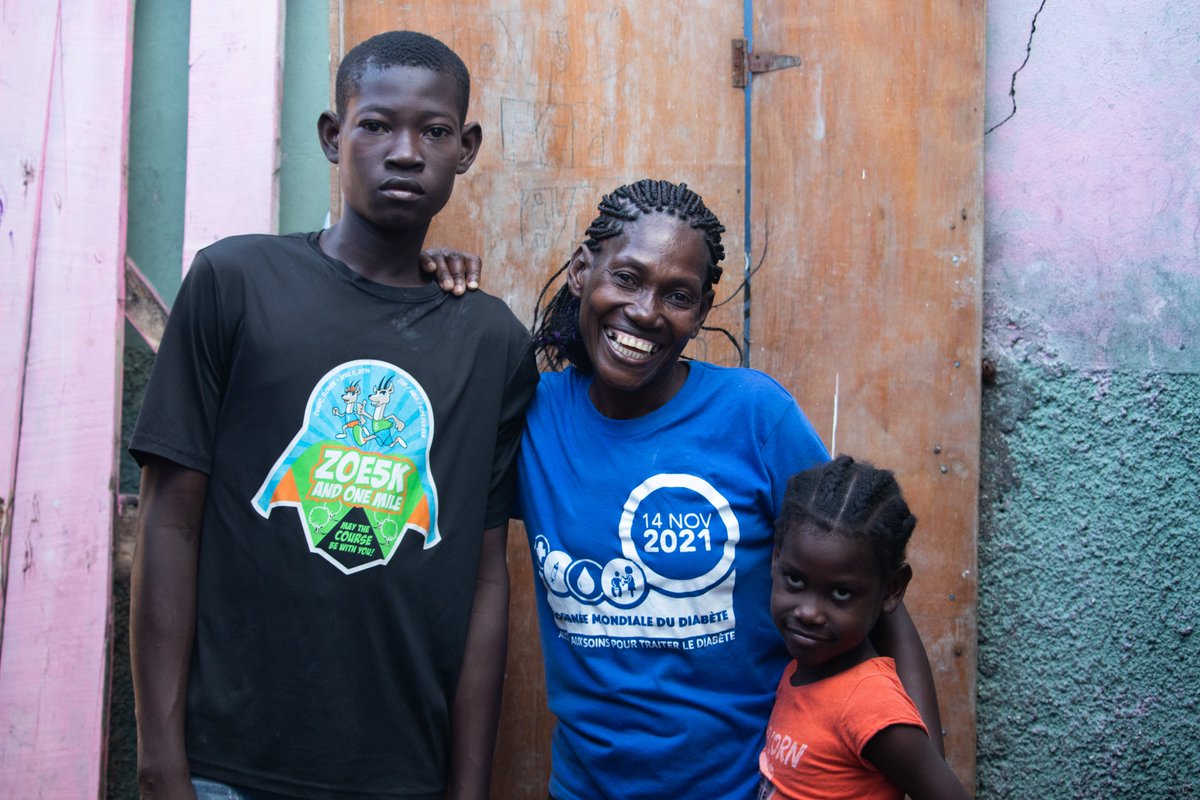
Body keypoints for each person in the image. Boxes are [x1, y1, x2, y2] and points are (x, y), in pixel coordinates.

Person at [129, 31, 537, 800]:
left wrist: (468, 788)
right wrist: (160, 762)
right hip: (226, 769)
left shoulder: (491, 343)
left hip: (400, 773)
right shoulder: (235, 283)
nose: (406, 151)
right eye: (377, 124)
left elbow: (486, 578)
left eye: (435, 131)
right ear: (332, 135)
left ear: (467, 148)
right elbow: (169, 523)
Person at [513, 179, 943, 799]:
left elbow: (872, 577)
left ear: (703, 310)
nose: (645, 312)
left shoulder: (754, 416)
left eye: (678, 295)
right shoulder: (532, 416)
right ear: (583, 271)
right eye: (628, 278)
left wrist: (922, 765)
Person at [757, 455, 968, 800]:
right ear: (775, 559)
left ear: (891, 590)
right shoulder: (800, 671)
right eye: (795, 580)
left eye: (841, 593)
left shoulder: (869, 703)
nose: (809, 612)